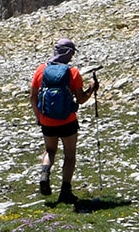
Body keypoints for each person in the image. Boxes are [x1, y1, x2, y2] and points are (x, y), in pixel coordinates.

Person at [29, 37, 98, 201]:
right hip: (68, 120)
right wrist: (92, 88)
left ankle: (45, 174)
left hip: (47, 120)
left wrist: (38, 116)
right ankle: (65, 191)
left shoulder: (41, 70)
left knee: (50, 150)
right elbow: (81, 99)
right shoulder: (72, 72)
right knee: (69, 155)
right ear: (68, 53)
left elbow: (32, 96)